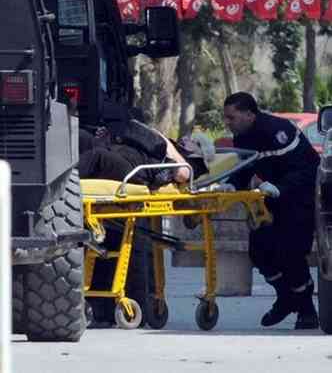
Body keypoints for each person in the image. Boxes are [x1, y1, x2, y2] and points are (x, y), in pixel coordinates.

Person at [223, 91, 320, 330]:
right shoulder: (242, 137)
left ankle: (306, 311)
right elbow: (245, 167)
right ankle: (286, 297)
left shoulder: (278, 131)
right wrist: (232, 183)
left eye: (231, 117)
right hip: (272, 197)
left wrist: (281, 187)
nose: (227, 123)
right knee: (259, 249)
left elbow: (306, 169)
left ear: (249, 114)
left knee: (291, 253)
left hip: (301, 198)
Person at [79, 119, 215, 189]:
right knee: (82, 136)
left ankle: (63, 182)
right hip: (120, 153)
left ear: (197, 151)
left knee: (98, 156)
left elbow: (182, 174)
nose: (186, 139)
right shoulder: (174, 148)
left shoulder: (194, 165)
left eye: (192, 141)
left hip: (135, 173)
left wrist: (166, 143)